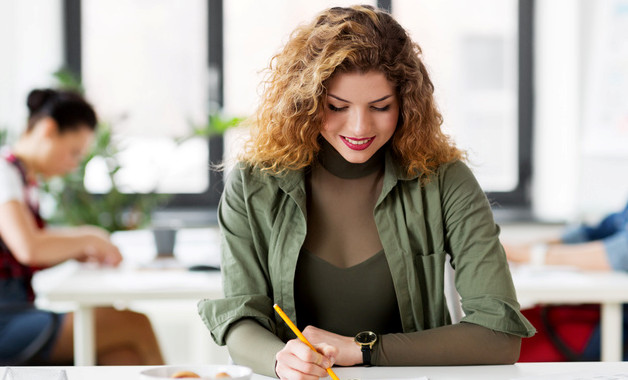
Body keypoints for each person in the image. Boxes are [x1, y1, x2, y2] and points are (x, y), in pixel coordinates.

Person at [198, 5, 535, 379]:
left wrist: (363, 350)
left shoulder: (445, 180)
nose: (359, 127)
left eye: (380, 106)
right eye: (337, 106)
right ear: (305, 102)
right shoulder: (253, 182)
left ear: (406, 103)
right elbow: (239, 318)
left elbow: (500, 336)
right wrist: (281, 360)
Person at [0, 88, 164, 365]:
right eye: (74, 153)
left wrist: (73, 252)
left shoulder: (25, 180)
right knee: (134, 324)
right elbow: (28, 248)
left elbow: (23, 255)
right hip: (7, 320)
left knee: (123, 355)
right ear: (48, 130)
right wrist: (90, 237)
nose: (74, 165)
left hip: (18, 312)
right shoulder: (4, 172)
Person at [503, 201, 628, 361]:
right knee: (505, 330)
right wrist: (524, 249)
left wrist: (531, 255)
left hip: (613, 325)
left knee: (505, 347)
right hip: (595, 313)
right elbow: (596, 232)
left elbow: (621, 254)